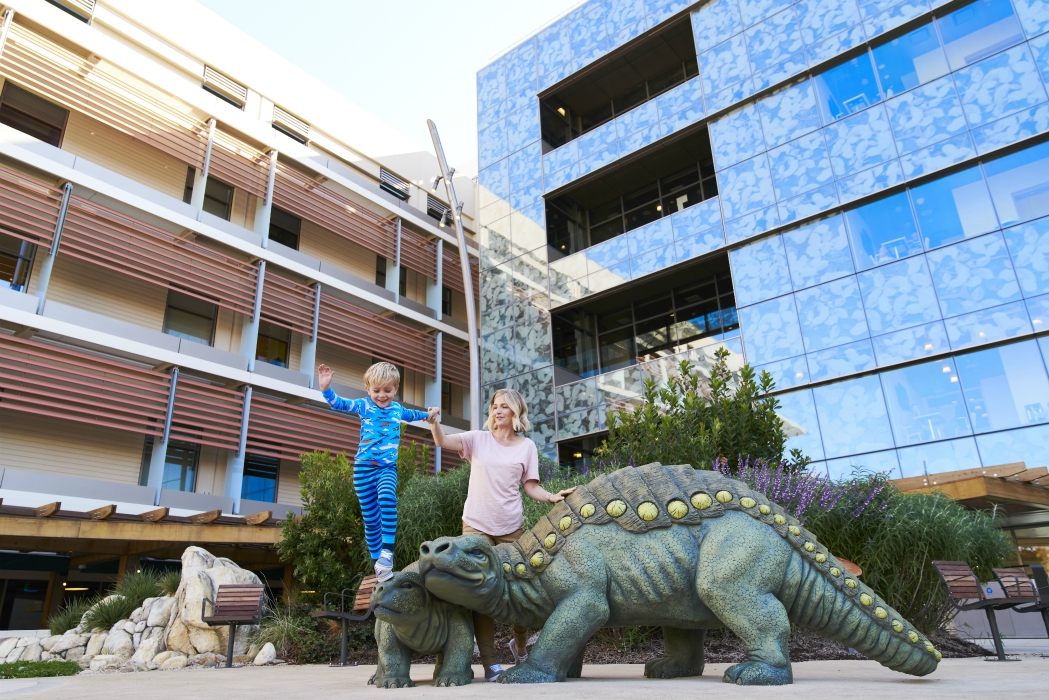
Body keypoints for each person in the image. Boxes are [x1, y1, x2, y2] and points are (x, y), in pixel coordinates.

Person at [426, 388, 575, 682]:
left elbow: (530, 486)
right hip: (476, 525)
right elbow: (443, 441)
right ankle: (491, 664)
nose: (497, 411)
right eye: (495, 406)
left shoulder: (526, 447)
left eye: (504, 406)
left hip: (511, 527)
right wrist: (434, 423)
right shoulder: (477, 440)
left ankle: (519, 647)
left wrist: (550, 497)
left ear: (516, 412)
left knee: (518, 591)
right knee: (481, 591)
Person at [318, 361, 438, 583]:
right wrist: (326, 388)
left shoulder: (397, 409)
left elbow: (415, 415)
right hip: (363, 470)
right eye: (376, 391)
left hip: (386, 469)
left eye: (387, 390)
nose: (382, 395)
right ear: (368, 390)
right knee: (371, 519)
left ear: (395, 389)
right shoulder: (364, 405)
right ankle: (380, 565)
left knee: (387, 497)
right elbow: (339, 404)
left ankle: (387, 553)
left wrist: (429, 414)